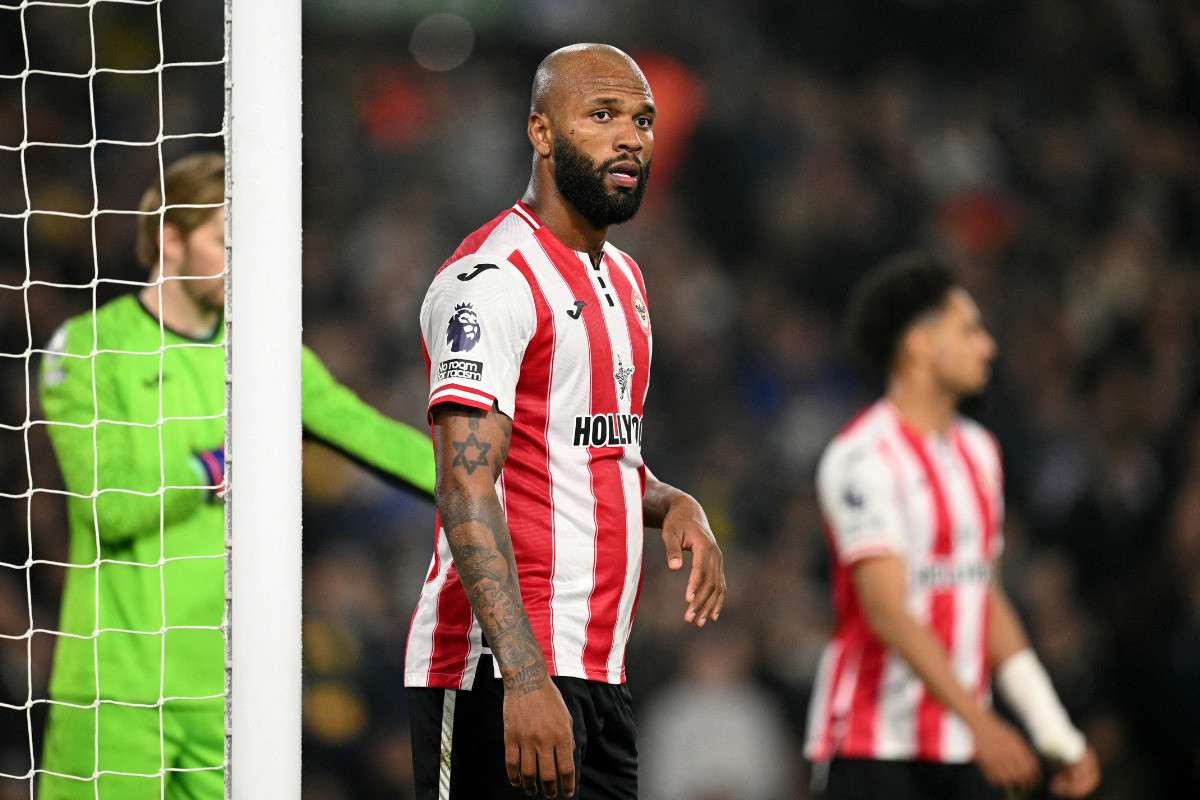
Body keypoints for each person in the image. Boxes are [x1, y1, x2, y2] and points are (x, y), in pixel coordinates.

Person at [36, 152, 436, 799]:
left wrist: (492, 488)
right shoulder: (86, 348)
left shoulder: (266, 349)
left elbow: (369, 434)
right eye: (223, 242)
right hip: (119, 687)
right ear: (168, 238)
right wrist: (220, 463)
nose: (239, 260)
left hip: (233, 689)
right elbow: (111, 505)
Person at [405, 43, 726, 800]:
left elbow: (593, 455)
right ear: (541, 134)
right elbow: (465, 487)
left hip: (599, 678)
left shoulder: (626, 279)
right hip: (496, 673)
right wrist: (523, 675)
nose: (632, 138)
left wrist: (673, 502)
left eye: (643, 120)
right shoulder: (490, 282)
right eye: (603, 115)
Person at [804, 253, 1102, 799]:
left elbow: (982, 597)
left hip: (961, 745)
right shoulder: (861, 458)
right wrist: (983, 722)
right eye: (968, 330)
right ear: (919, 346)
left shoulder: (980, 453)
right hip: (874, 747)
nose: (987, 346)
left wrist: (1054, 732)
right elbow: (887, 609)